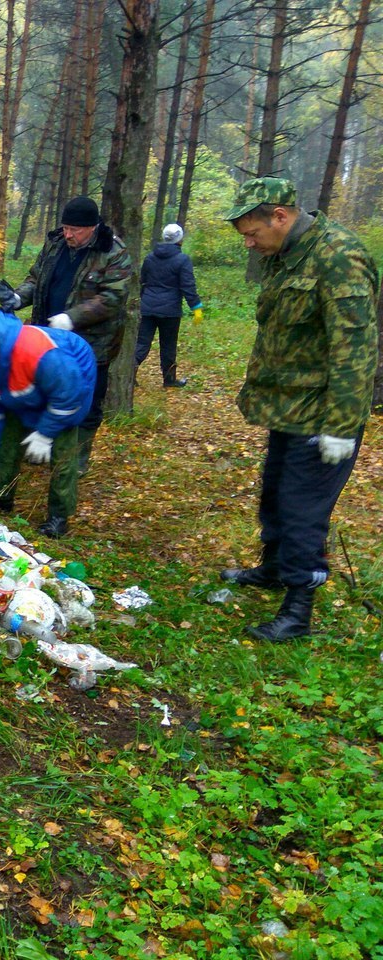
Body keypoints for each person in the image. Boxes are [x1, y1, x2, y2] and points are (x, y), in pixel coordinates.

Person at [219, 177, 379, 641]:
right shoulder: (287, 254)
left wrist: (342, 427)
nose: (249, 243)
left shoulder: (339, 257)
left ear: (281, 217)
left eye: (252, 233)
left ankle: (298, 608)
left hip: (324, 415)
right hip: (289, 408)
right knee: (274, 495)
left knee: (302, 509)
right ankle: (272, 568)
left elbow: (356, 349)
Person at [0, 196, 131, 474]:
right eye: (66, 227)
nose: (69, 234)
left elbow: (113, 297)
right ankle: (40, 446)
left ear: (93, 227)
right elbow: (36, 278)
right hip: (47, 339)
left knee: (87, 400)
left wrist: (72, 317)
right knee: (43, 390)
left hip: (91, 345)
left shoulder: (113, 251)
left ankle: (76, 458)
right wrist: (17, 298)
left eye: (76, 230)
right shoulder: (56, 242)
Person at [0, 310, 96, 538]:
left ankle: (59, 517)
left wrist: (45, 433)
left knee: (63, 454)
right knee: (6, 444)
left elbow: (68, 396)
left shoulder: (39, 354)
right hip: (22, 389)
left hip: (69, 382)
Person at [136, 223, 203, 388]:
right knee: (168, 346)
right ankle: (169, 380)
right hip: (170, 312)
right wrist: (196, 308)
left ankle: (128, 375)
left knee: (142, 343)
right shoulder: (182, 259)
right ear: (180, 240)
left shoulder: (150, 257)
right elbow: (188, 286)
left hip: (147, 307)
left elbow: (142, 282)